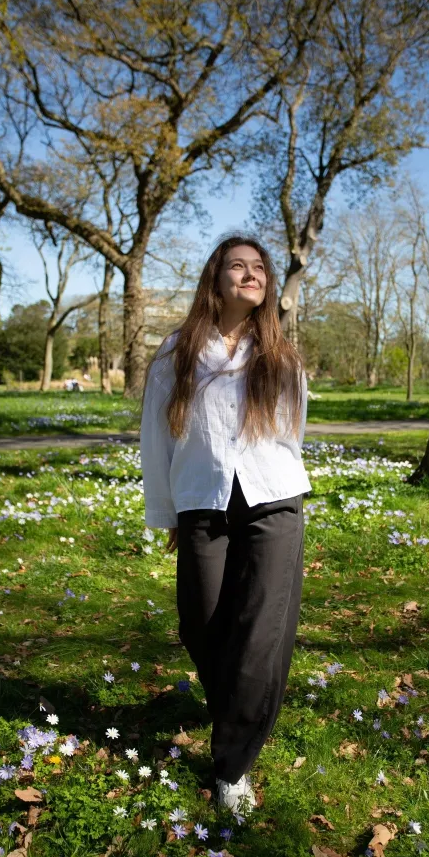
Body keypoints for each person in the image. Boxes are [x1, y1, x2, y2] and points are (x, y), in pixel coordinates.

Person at [140, 232, 311, 815]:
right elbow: (156, 440)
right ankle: (236, 704)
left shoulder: (282, 356)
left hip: (274, 500)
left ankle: (232, 765)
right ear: (215, 280)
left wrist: (280, 482)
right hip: (202, 504)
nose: (251, 274)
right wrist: (168, 514)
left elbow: (295, 430)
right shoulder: (177, 353)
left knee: (260, 631)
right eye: (236, 266)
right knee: (201, 621)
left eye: (258, 267)